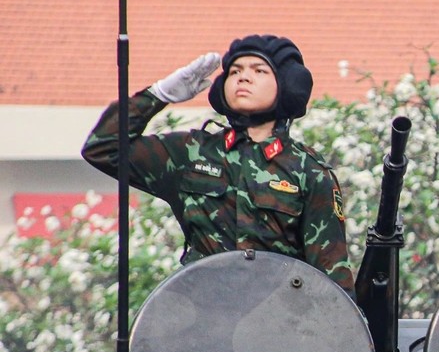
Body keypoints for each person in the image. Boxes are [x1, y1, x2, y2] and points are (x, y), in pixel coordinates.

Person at [82, 34, 354, 296]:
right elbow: (104, 148)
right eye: (235, 71)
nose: (243, 77)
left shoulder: (307, 170)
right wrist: (158, 94)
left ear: (287, 85)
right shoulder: (192, 153)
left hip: (277, 322)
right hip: (201, 315)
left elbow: (331, 275)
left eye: (259, 71)